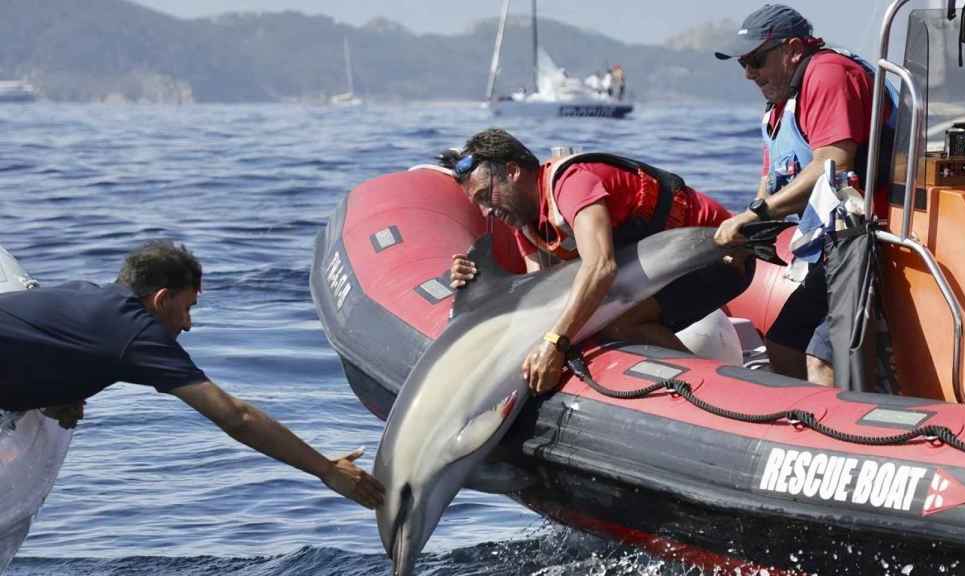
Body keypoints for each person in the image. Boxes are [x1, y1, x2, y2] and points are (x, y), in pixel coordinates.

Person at [0, 240, 385, 509]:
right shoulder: (136, 332)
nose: (187, 325)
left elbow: (42, 338)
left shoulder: (86, 294)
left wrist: (57, 392)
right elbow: (237, 417)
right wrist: (326, 469)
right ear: (161, 299)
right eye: (186, 308)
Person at [441, 128, 753, 395]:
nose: (485, 212)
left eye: (485, 196)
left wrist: (555, 343)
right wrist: (479, 279)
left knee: (619, 324)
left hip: (718, 256)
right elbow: (541, 293)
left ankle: (711, 392)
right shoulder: (526, 222)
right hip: (659, 274)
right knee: (584, 325)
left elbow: (601, 267)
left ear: (512, 172)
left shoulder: (571, 184)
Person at [712, 4, 891, 387]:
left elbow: (833, 165)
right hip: (828, 246)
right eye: (743, 63)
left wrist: (754, 215)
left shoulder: (828, 75)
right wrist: (749, 230)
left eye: (756, 60)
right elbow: (770, 181)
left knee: (819, 359)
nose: (748, 73)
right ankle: (795, 424)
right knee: (783, 345)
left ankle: (832, 434)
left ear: (792, 49)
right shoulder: (778, 105)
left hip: (864, 243)